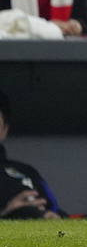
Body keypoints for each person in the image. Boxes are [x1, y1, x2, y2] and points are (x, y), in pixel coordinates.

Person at [0, 90, 64, 219]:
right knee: (25, 214)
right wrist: (6, 215)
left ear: (4, 130)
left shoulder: (26, 171)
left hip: (48, 234)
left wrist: (54, 219)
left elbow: (54, 209)